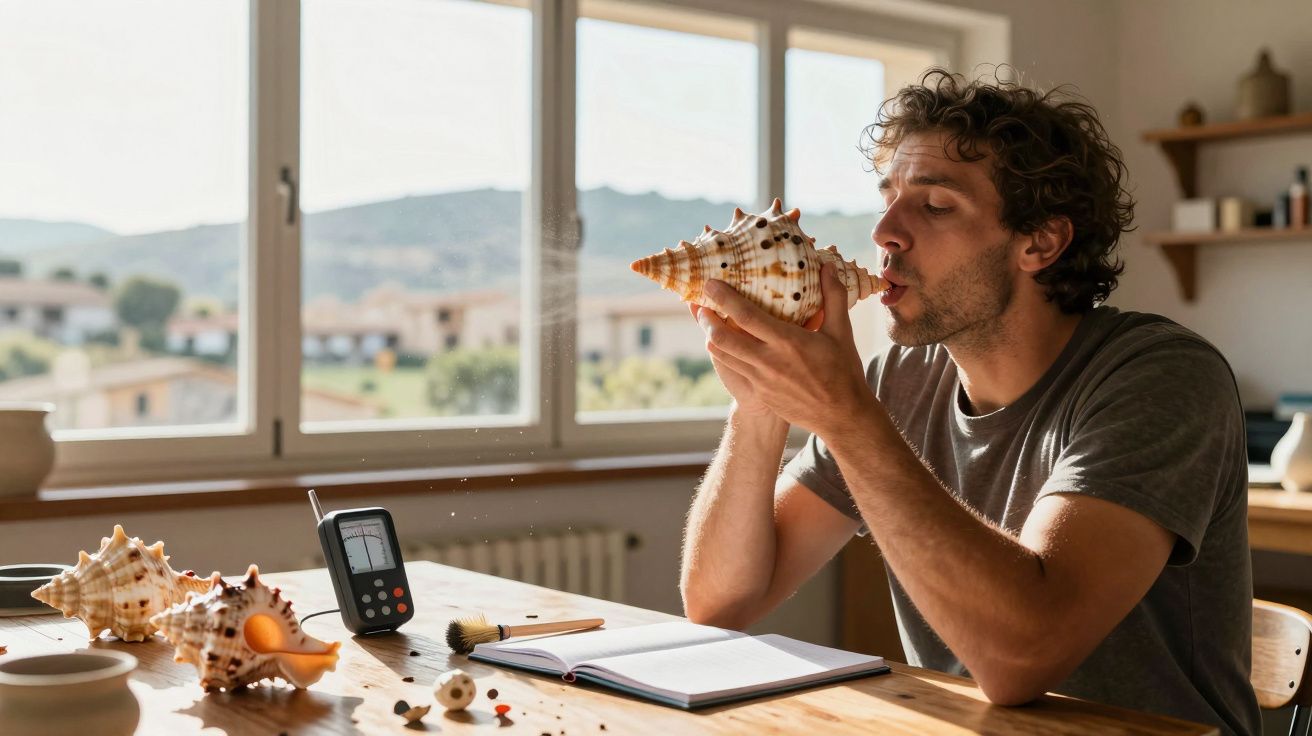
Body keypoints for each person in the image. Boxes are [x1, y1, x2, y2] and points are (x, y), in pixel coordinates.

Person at [678, 69, 1260, 736]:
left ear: (1039, 242)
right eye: (888, 198)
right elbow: (721, 601)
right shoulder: (900, 378)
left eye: (935, 206)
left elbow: (1021, 657)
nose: (887, 232)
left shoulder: (1159, 376)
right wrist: (759, 399)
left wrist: (845, 413)